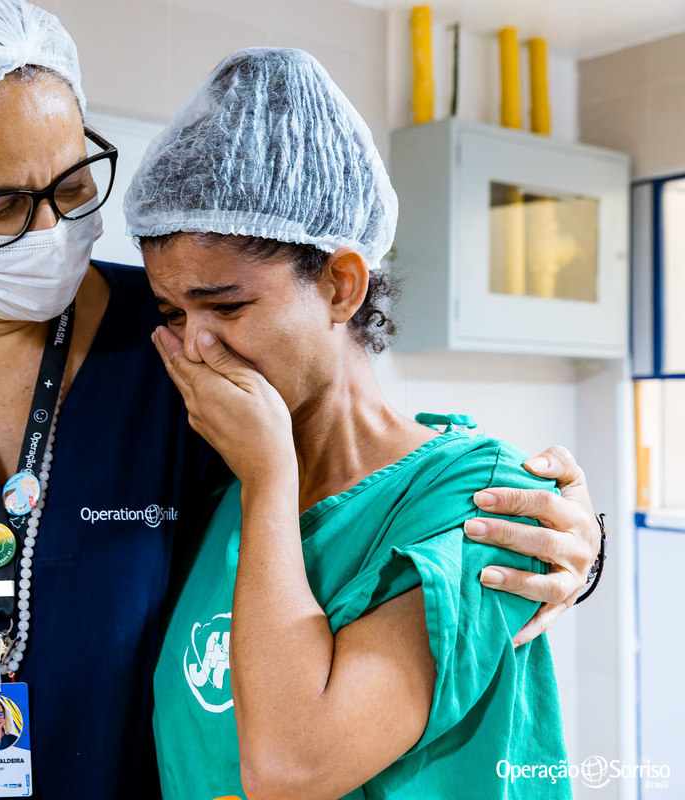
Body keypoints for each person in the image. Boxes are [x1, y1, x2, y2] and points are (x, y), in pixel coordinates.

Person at [0, 3, 602, 797]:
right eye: (0, 206)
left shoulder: (177, 348)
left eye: (72, 184)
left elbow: (349, 464)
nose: (50, 227)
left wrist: (564, 537)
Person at [128, 48, 584, 799]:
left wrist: (271, 479)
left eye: (229, 306)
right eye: (174, 314)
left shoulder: (475, 499)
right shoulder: (212, 496)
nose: (197, 347)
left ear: (341, 285)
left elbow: (292, 768)